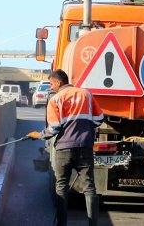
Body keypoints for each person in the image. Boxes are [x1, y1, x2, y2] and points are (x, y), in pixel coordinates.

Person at [27, 69, 104, 226]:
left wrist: (38, 135)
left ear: (58, 82)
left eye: (51, 84)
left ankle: (61, 224)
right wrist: (85, 129)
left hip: (64, 149)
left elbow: (53, 128)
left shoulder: (56, 100)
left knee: (61, 186)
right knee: (89, 187)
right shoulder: (86, 94)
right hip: (85, 146)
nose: (50, 88)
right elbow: (99, 119)